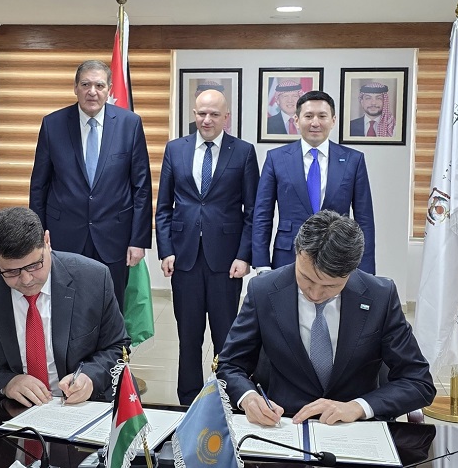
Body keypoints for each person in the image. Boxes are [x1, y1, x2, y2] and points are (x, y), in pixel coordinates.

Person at [218, 210, 435, 426]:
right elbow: (230, 365)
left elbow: (418, 382)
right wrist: (248, 398)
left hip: (354, 427)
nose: (314, 294)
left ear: (351, 271)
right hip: (283, 423)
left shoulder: (380, 296)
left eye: (330, 286)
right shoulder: (263, 291)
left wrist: (359, 407)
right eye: (306, 279)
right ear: (297, 253)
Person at [0, 207, 130, 407]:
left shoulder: (93, 279)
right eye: (11, 272)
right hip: (6, 408)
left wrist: (90, 376)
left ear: (47, 241)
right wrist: (5, 383)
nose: (26, 280)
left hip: (80, 406)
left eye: (34, 266)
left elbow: (118, 347)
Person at [156, 89, 259, 405]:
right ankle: (188, 400)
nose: (207, 119)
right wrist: (166, 250)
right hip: (184, 258)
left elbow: (253, 211)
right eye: (201, 113)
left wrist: (244, 255)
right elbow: (164, 207)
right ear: (194, 114)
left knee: (226, 338)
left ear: (226, 117)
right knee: (188, 338)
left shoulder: (243, 152)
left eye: (214, 114)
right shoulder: (175, 149)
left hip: (226, 262)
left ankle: (227, 398)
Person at [29, 60, 152, 311]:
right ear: (75, 88)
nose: (92, 92)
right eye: (85, 84)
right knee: (67, 308)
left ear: (109, 89)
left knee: (111, 309)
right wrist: (38, 237)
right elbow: (39, 185)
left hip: (115, 237)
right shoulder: (53, 124)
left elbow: (141, 187)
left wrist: (138, 240)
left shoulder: (130, 124)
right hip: (64, 236)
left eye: (99, 85)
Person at [252, 90, 376, 274]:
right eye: (308, 116)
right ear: (296, 120)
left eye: (322, 116)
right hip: (288, 255)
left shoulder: (353, 160)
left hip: (337, 255)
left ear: (333, 120)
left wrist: (364, 269)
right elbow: (262, 214)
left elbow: (364, 219)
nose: (315, 123)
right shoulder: (276, 159)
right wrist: (261, 263)